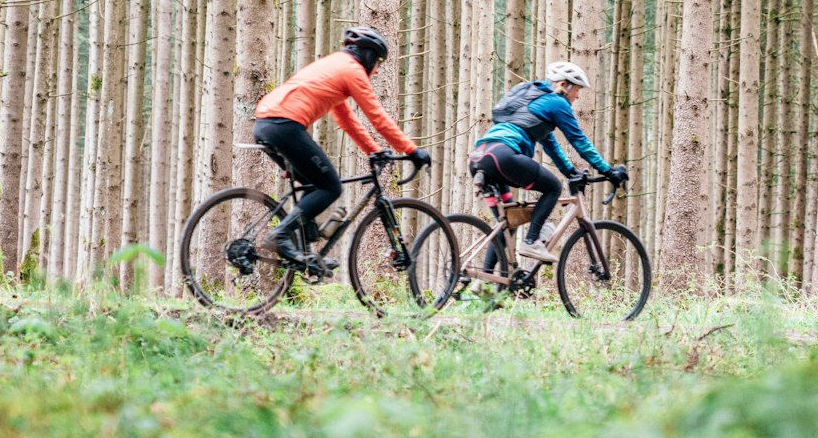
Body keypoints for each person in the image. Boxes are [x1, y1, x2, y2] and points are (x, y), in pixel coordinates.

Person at [253, 26, 429, 270]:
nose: (376, 70)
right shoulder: (351, 70)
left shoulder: (335, 67)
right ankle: (280, 235)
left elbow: (346, 120)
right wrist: (411, 150)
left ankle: (305, 255)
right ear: (367, 55)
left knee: (314, 184)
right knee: (331, 186)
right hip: (284, 125)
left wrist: (373, 150)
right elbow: (377, 117)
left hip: (266, 124)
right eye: (377, 62)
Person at [469, 61, 627, 265]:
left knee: (507, 223)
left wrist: (570, 171)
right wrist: (607, 170)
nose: (577, 96)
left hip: (480, 157)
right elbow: (579, 140)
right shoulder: (556, 102)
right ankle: (531, 241)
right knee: (553, 187)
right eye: (577, 89)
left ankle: (486, 285)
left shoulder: (534, 105)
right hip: (503, 156)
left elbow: (551, 145)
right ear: (564, 84)